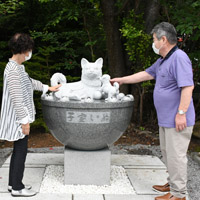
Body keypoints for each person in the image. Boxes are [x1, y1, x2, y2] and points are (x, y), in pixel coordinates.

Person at [110, 22, 195, 200]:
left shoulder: (179, 58)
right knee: (167, 152)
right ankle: (172, 182)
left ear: (163, 39)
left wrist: (181, 114)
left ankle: (178, 194)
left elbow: (188, 87)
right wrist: (122, 80)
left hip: (177, 119)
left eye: (154, 39)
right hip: (166, 119)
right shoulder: (164, 60)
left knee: (176, 156)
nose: (153, 43)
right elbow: (146, 74)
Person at [0, 33, 61, 197]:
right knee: (21, 150)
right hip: (17, 118)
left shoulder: (18, 67)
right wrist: (24, 122)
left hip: (19, 117)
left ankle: (13, 184)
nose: (30, 53)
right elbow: (17, 98)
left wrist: (47, 88)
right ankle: (18, 188)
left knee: (18, 149)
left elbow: (29, 81)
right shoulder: (12, 70)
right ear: (24, 50)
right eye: (29, 50)